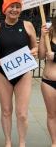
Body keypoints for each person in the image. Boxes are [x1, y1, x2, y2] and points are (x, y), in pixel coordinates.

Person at [0, 0, 38, 147]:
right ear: (5, 9)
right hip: (3, 74)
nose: (14, 9)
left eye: (17, 6)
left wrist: (34, 51)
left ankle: (22, 143)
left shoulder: (27, 25)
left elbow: (35, 46)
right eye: (11, 6)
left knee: (22, 113)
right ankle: (8, 142)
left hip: (23, 73)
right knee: (6, 110)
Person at [38, 18, 56, 147]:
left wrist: (55, 56)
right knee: (51, 114)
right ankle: (54, 142)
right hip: (49, 82)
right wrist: (43, 36)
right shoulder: (49, 32)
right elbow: (41, 55)